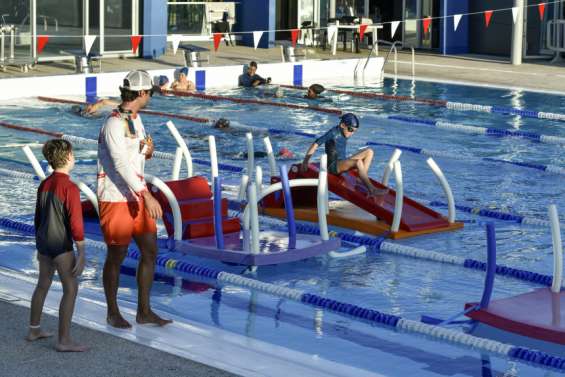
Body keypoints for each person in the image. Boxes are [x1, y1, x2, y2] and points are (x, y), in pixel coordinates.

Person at [97, 70, 171, 328]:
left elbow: (133, 158)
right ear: (141, 93)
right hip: (116, 196)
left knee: (150, 251)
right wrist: (147, 195)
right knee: (117, 255)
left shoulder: (135, 120)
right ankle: (112, 312)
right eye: (150, 92)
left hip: (137, 194)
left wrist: (146, 152)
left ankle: (144, 311)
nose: (151, 96)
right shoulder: (113, 123)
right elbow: (119, 164)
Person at [28, 139, 87, 352]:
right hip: (61, 245)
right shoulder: (69, 187)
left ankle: (34, 329)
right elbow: (76, 224)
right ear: (68, 156)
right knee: (71, 289)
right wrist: (81, 251)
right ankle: (64, 341)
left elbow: (38, 216)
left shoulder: (45, 183)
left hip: (44, 243)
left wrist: (39, 241)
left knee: (42, 285)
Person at [301, 113, 387, 196]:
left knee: (369, 152)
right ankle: (372, 190)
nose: (352, 133)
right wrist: (305, 162)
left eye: (354, 131)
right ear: (342, 125)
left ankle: (360, 179)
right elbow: (316, 144)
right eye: (350, 129)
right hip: (333, 167)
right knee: (358, 162)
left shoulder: (344, 132)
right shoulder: (333, 133)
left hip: (342, 162)